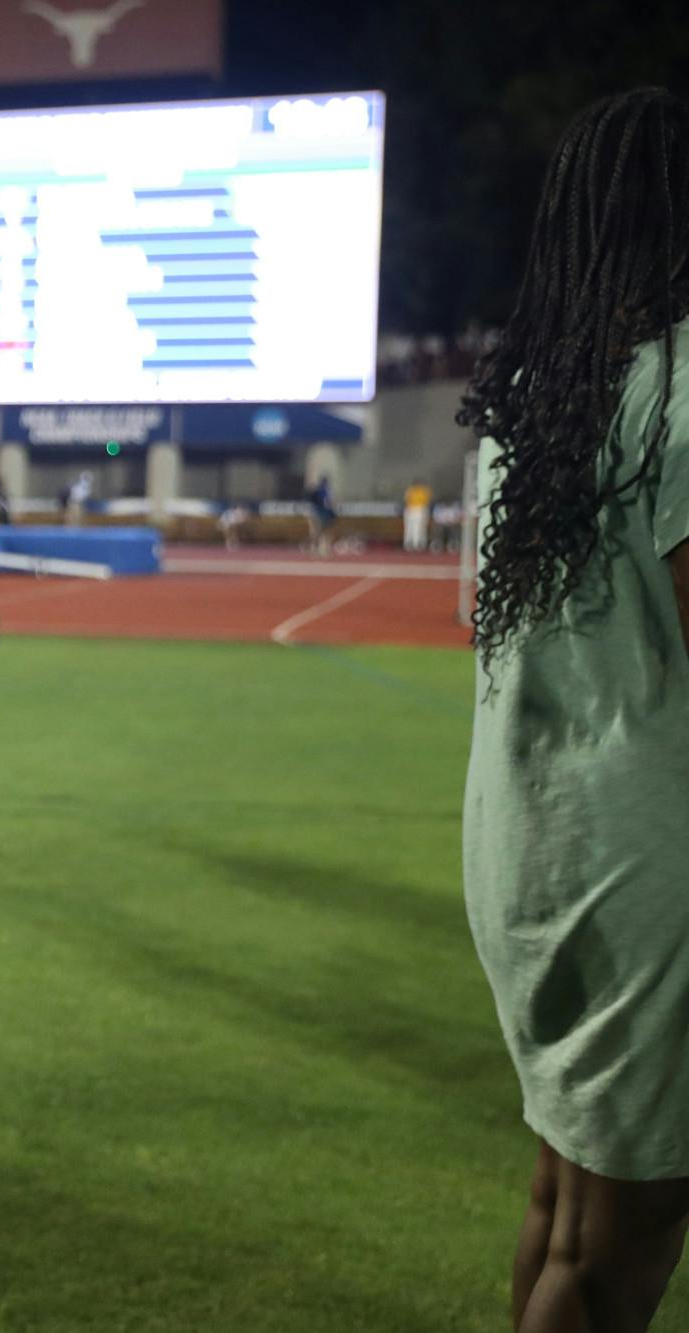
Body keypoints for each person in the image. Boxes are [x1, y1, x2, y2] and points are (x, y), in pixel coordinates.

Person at [458, 88, 689, 1333]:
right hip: (649, 853)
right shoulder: (684, 388)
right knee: (622, 1235)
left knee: (565, 1203)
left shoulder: (521, 413)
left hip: (527, 845)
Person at [402, 480, 433, 551]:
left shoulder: (425, 491)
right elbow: (406, 500)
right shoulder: (410, 491)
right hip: (410, 509)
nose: (417, 485)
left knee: (420, 528)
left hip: (420, 509)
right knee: (409, 528)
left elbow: (427, 501)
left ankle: (418, 544)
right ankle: (409, 544)